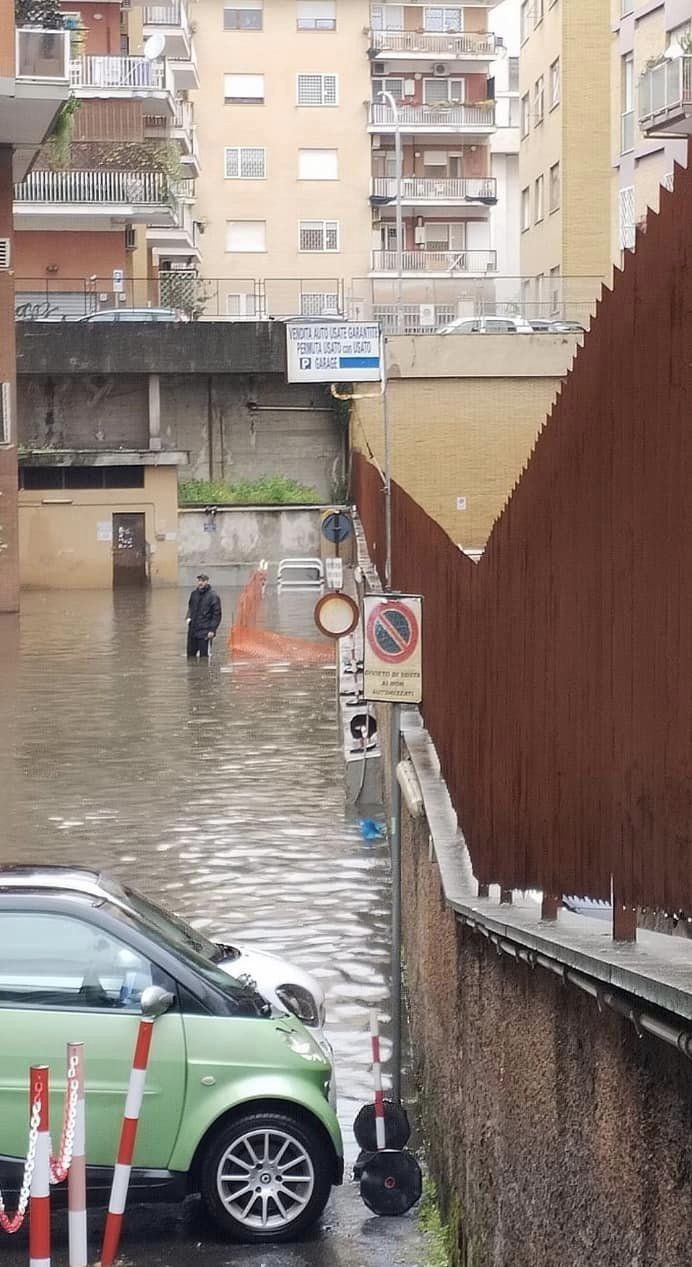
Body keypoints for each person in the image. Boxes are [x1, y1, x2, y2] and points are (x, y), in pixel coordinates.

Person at [186, 573, 222, 658]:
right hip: (193, 630)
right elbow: (190, 608)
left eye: (202, 581)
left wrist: (212, 630)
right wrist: (188, 617)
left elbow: (217, 615)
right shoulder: (194, 594)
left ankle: (204, 671)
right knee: (190, 656)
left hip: (205, 632)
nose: (200, 583)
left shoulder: (213, 596)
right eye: (199, 581)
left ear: (207, 581)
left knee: (204, 658)